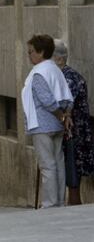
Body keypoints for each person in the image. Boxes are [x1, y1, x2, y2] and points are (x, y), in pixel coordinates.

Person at [21, 34, 73, 209]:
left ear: (41, 52)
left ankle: (50, 204)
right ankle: (58, 201)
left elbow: (46, 99)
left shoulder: (38, 73)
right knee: (58, 163)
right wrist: (65, 115)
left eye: (31, 52)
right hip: (57, 125)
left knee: (47, 166)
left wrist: (60, 115)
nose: (29, 55)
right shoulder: (55, 69)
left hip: (42, 124)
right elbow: (67, 96)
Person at [52, 39, 94, 205]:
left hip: (73, 133)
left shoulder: (70, 78)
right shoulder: (59, 76)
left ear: (60, 59)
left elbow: (63, 103)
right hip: (66, 132)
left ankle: (74, 205)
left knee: (72, 173)